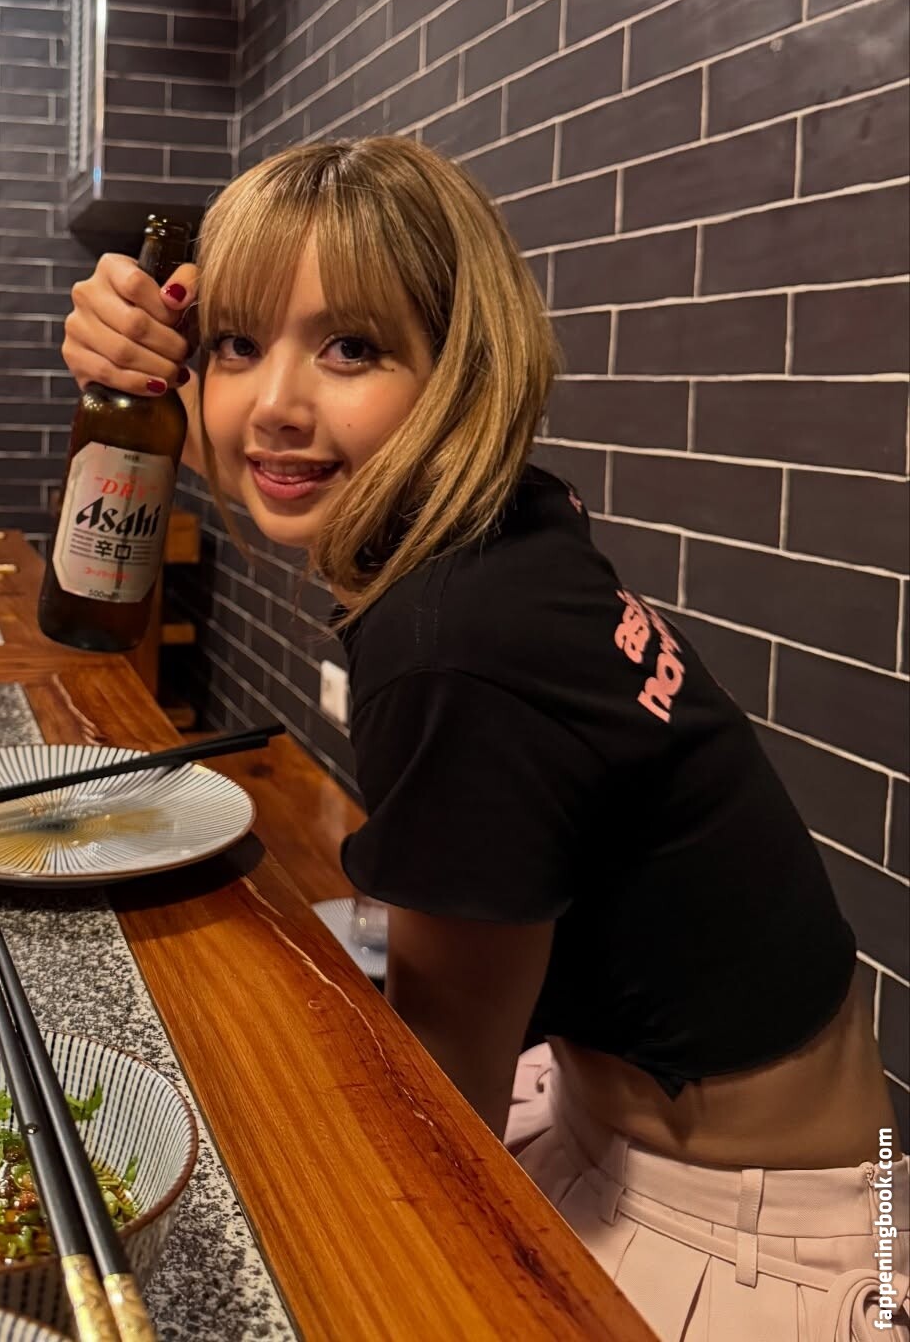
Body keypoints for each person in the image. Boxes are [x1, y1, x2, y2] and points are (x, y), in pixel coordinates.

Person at [60, 135, 909, 1342]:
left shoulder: (456, 643)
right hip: (674, 1135)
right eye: (239, 344)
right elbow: (273, 452)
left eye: (352, 348)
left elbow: (439, 1096)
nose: (276, 405)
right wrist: (145, 375)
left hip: (750, 1239)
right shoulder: (504, 524)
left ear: (459, 370)